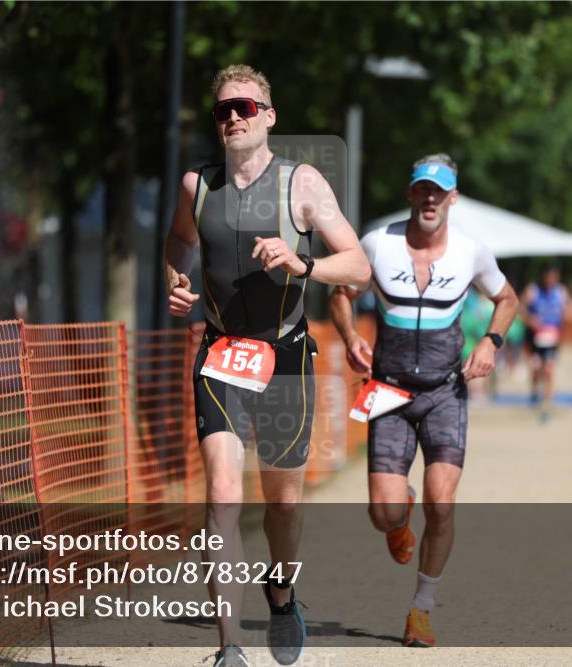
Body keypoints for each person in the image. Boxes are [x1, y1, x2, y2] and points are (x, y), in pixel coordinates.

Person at [163, 64, 370, 667]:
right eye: (223, 110)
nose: (232, 118)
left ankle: (281, 592)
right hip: (222, 352)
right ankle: (231, 648)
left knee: (282, 507)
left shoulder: (302, 185)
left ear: (269, 116)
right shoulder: (195, 185)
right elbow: (178, 242)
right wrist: (177, 280)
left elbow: (356, 266)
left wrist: (303, 265)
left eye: (244, 108)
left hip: (284, 355)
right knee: (223, 495)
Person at [329, 154, 518, 648]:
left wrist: (490, 343)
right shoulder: (377, 243)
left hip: (444, 391)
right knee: (384, 515)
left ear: (453, 198)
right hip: (387, 391)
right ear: (411, 193)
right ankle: (398, 513)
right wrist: (350, 338)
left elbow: (508, 300)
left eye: (440, 191)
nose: (430, 198)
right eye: (422, 189)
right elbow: (340, 295)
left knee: (442, 501)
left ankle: (421, 610)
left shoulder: (471, 251)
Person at [520, 265, 569, 423]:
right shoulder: (533, 290)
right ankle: (534, 393)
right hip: (535, 338)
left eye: (553, 278)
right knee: (536, 369)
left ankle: (547, 403)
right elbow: (518, 307)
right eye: (547, 277)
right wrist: (530, 320)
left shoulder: (561, 292)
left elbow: (568, 311)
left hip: (552, 338)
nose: (550, 281)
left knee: (548, 370)